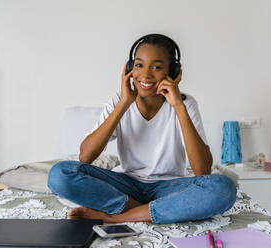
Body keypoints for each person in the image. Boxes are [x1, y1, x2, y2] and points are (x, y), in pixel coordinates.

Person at [48, 34, 236, 224]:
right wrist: (124, 103)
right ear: (130, 68)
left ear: (173, 72)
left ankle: (115, 218)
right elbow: (85, 156)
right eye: (139, 65)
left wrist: (178, 106)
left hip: (169, 187)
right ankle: (149, 211)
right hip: (126, 184)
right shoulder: (119, 101)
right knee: (59, 174)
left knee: (223, 187)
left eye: (157, 67)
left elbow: (202, 171)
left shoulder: (185, 104)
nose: (145, 75)